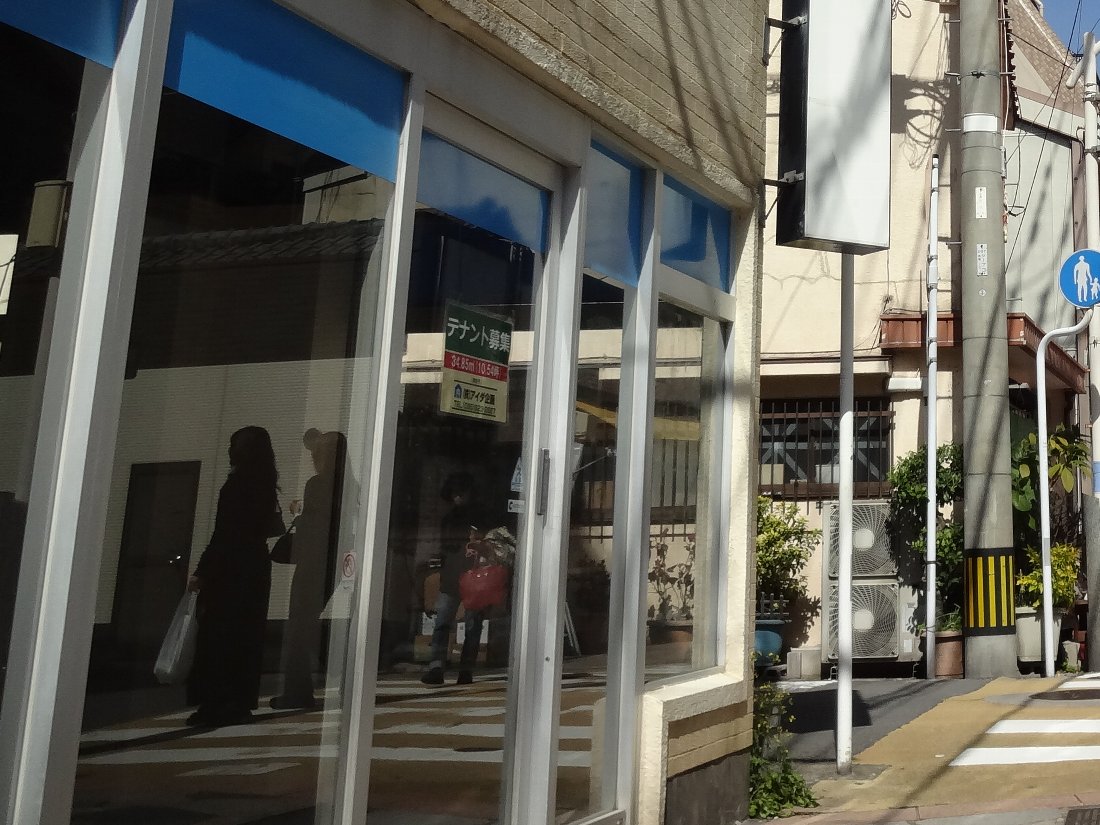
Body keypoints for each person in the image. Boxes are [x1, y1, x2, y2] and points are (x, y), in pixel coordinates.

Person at [186, 426, 280, 727]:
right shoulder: (266, 485)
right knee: (247, 636)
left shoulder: (236, 485)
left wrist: (202, 571)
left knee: (219, 636)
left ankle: (216, 702)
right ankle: (239, 701)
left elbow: (224, 534)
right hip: (255, 566)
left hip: (230, 568)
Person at [271, 429, 355, 709]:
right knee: (311, 624)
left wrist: (298, 513)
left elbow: (313, 527)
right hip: (338, 562)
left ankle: (297, 691)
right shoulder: (350, 486)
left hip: (313, 562)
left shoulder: (317, 484)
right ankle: (334, 681)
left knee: (298, 626)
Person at [421, 472, 486, 686]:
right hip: (459, 576)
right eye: (454, 494)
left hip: (464, 576)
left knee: (454, 624)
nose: (458, 497)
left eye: (461, 493)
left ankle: (449, 668)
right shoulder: (452, 519)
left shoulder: (473, 518)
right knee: (458, 624)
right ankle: (450, 668)